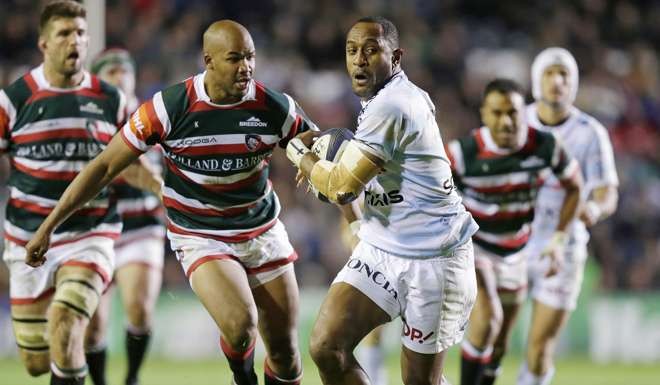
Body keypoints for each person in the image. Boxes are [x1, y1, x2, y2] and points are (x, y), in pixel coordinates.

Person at [25, 19, 316, 385]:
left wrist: (342, 199)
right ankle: (242, 379)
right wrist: (49, 226)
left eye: (251, 57)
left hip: (262, 230)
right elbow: (103, 167)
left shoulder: (275, 106)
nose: (246, 67)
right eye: (234, 58)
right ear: (208, 60)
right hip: (201, 234)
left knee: (287, 354)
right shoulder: (169, 108)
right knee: (241, 326)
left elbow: (319, 153)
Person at [286, 16, 479, 385]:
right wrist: (357, 222)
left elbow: (341, 187)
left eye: (372, 50)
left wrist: (301, 155)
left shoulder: (394, 104)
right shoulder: (381, 101)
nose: (359, 59)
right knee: (327, 346)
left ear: (397, 57)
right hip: (383, 249)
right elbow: (367, 184)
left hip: (435, 259)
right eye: (352, 51)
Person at [0, 2, 161, 385]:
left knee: (68, 322)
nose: (75, 41)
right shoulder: (14, 100)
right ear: (44, 44)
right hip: (25, 238)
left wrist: (162, 188)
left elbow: (129, 163)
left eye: (80, 33)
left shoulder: (111, 101)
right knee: (38, 361)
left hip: (91, 234)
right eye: (64, 33)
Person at [444, 79, 582, 385]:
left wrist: (558, 240)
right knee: (487, 319)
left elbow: (575, 186)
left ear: (525, 113)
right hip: (474, 248)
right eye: (497, 112)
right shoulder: (463, 153)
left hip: (517, 253)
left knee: (499, 346)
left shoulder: (545, 147)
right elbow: (429, 193)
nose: (505, 121)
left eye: (513, 113)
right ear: (484, 114)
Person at [518, 47, 619, 385]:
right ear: (536, 80)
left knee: (539, 348)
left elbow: (607, 191)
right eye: (550, 73)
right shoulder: (516, 122)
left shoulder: (590, 132)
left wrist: (594, 207)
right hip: (512, 245)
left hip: (563, 248)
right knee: (492, 339)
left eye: (564, 75)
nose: (557, 82)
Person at [84, 48, 166, 385]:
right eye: (110, 72)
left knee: (139, 308)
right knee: (92, 327)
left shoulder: (152, 119)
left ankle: (131, 377)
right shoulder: (86, 123)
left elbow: (157, 170)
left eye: (123, 71)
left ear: (133, 78)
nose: (118, 77)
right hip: (94, 228)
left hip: (140, 224)